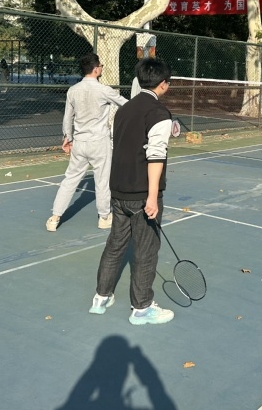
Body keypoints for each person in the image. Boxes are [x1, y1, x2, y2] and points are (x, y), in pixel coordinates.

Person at [90, 58, 175, 325]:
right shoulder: (159, 113)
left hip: (118, 189)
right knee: (146, 250)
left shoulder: (124, 110)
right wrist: (152, 197)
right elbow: (156, 156)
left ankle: (101, 297)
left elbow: (122, 144)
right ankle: (142, 308)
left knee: (115, 244)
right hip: (141, 193)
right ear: (164, 84)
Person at [46, 53, 128, 232]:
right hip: (99, 142)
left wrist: (67, 137)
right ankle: (104, 217)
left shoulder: (73, 90)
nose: (102, 67)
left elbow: (68, 117)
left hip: (80, 142)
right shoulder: (104, 90)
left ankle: (54, 217)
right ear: (96, 69)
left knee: (70, 179)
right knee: (102, 180)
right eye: (101, 65)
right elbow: (126, 105)